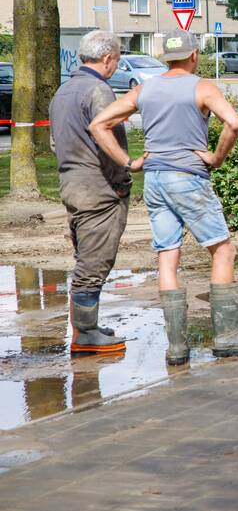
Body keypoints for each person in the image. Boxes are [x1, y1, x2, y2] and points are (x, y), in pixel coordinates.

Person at [90, 28, 238, 364]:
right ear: (195, 55)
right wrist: (215, 158)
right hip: (187, 177)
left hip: (154, 180)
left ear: (165, 57)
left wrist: (129, 162)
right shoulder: (202, 87)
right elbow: (233, 123)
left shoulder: (145, 89)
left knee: (168, 255)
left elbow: (99, 124)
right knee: (223, 250)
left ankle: (176, 347)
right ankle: (228, 336)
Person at [49, 30, 141, 354]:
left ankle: (86, 327)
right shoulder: (99, 91)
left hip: (71, 184)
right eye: (117, 58)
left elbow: (55, 143)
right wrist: (122, 179)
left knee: (84, 255)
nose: (116, 64)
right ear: (107, 59)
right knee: (94, 261)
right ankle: (85, 333)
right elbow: (108, 141)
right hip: (99, 188)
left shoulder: (63, 91)